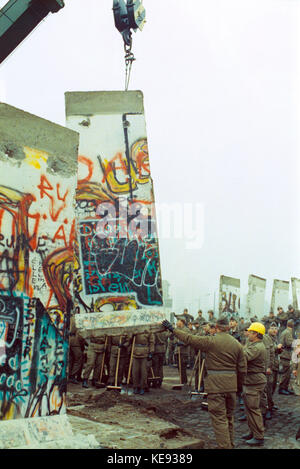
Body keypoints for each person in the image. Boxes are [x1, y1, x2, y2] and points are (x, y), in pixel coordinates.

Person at [162, 316, 247, 449]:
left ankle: (225, 447)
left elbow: (189, 339)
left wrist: (173, 329)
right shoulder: (237, 344)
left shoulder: (211, 341)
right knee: (229, 417)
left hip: (215, 386)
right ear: (228, 328)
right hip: (232, 386)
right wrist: (239, 386)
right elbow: (242, 368)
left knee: (219, 419)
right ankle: (230, 444)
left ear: (217, 327)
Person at [242, 322, 267, 446]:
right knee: (249, 409)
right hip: (251, 380)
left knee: (253, 409)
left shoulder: (256, 347)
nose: (248, 334)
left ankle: (259, 436)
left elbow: (243, 356)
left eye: (250, 332)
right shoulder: (254, 344)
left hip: (254, 381)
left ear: (256, 334)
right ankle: (253, 431)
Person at [132, 331, 155, 395]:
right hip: (135, 353)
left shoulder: (149, 331)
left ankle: (142, 387)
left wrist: (151, 352)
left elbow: (151, 342)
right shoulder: (135, 329)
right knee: (135, 371)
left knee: (144, 372)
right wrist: (132, 335)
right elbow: (129, 340)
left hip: (145, 353)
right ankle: (136, 387)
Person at [278, 319, 295, 395]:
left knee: (287, 373)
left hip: (285, 354)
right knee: (286, 373)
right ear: (292, 325)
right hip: (285, 354)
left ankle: (285, 388)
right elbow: (288, 343)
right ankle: (282, 388)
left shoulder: (286, 331)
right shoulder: (288, 332)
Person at [68, 313, 86, 384]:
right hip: (76, 341)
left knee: (71, 359)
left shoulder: (71, 318)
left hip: (70, 340)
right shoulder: (78, 319)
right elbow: (80, 333)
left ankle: (71, 376)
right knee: (78, 359)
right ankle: (72, 376)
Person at [173, 318, 189, 385]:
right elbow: (175, 339)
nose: (177, 322)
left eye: (178, 321)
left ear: (182, 322)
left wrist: (183, 343)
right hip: (177, 351)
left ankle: (184, 381)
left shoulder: (186, 330)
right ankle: (182, 380)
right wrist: (176, 342)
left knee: (183, 367)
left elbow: (189, 340)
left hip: (183, 352)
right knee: (179, 367)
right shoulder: (177, 329)